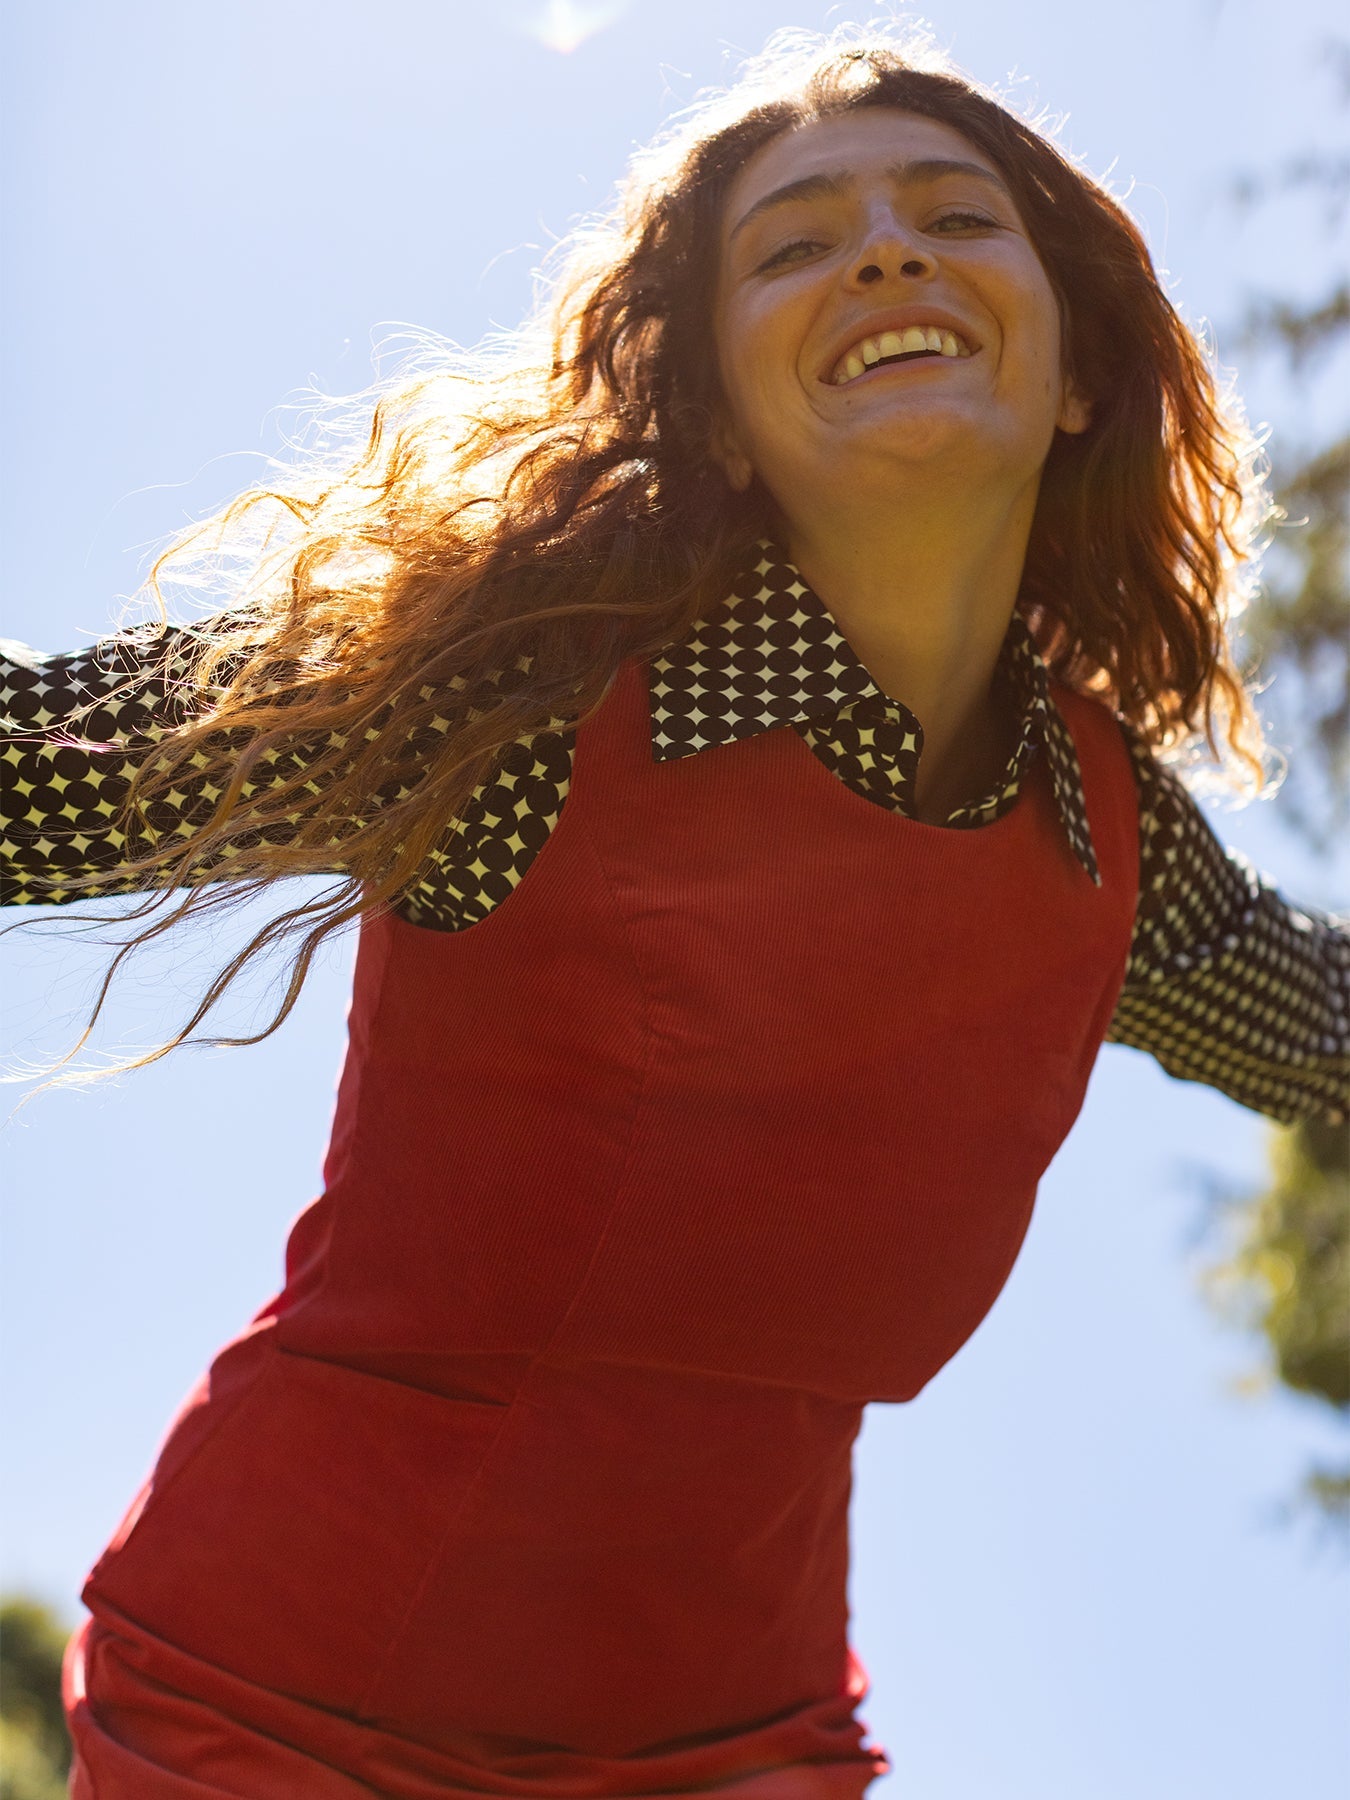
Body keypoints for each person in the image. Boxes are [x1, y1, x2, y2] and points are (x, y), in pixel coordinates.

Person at [2, 25, 1346, 1800]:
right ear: (713, 410)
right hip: (286, 1705)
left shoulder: (1105, 840)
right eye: (796, 244)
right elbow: (29, 769)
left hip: (738, 1740)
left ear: (1079, 363)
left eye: (954, 216)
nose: (887, 253)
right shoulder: (522, 695)